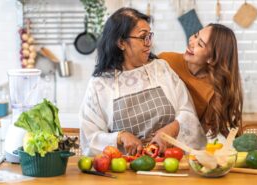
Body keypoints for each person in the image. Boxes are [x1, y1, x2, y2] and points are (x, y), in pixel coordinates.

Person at [79, 7, 206, 156]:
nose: (149, 43)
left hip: (170, 164)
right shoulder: (100, 85)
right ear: (121, 43)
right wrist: (120, 137)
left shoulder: (161, 69)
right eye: (142, 37)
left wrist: (172, 129)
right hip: (124, 171)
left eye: (149, 36)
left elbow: (188, 113)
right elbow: (89, 138)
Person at [159, 24, 243, 139]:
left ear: (212, 58)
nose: (191, 42)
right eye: (195, 35)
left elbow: (198, 133)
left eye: (200, 44)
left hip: (181, 148)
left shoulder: (215, 91)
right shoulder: (165, 60)